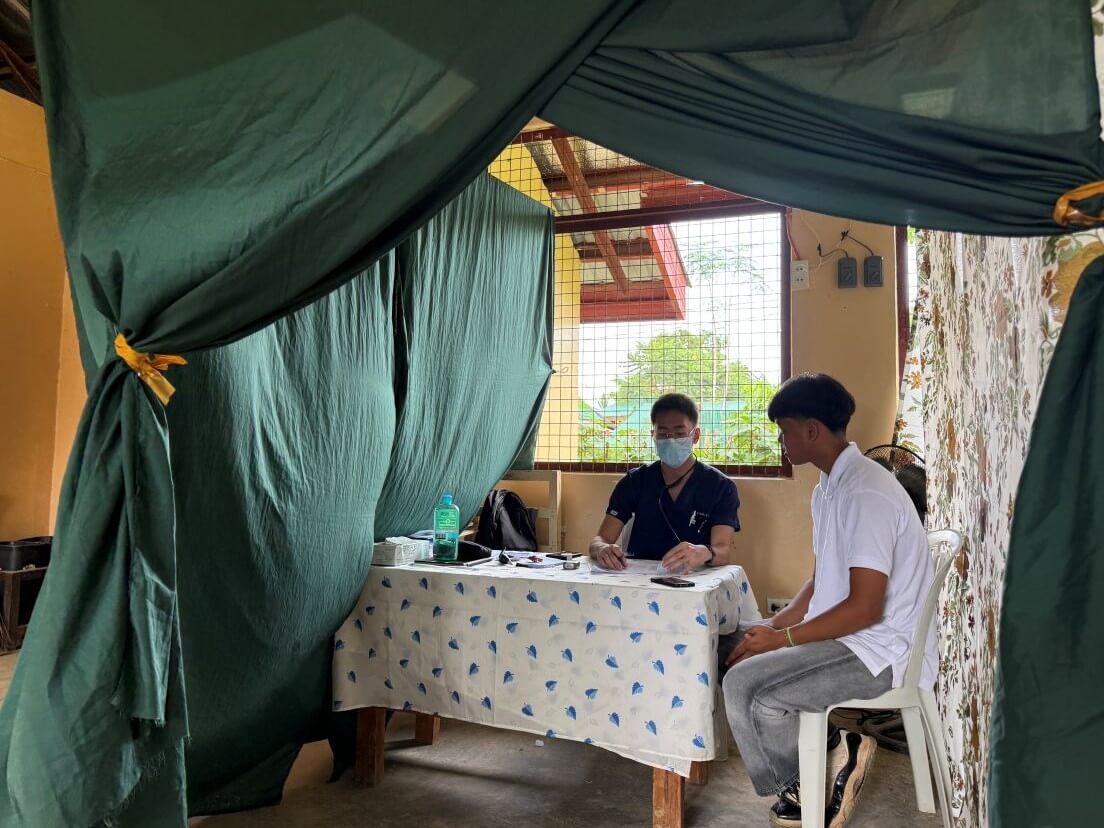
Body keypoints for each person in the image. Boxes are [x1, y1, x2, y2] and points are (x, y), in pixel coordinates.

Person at [719, 373, 935, 828]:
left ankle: (803, 783)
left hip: (878, 650)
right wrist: (776, 627)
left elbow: (865, 609)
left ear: (812, 430)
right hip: (847, 636)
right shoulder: (830, 489)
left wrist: (783, 641)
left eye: (785, 431)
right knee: (726, 644)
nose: (781, 442)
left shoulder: (866, 492)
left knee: (746, 688)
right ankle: (836, 739)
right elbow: (821, 582)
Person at [588, 392, 740, 574]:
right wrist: (602, 549)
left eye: (679, 432)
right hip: (638, 579)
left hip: (693, 579)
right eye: (663, 433)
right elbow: (601, 539)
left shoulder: (721, 487)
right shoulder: (635, 481)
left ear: (695, 435)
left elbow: (723, 551)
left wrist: (705, 552)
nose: (671, 439)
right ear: (653, 435)